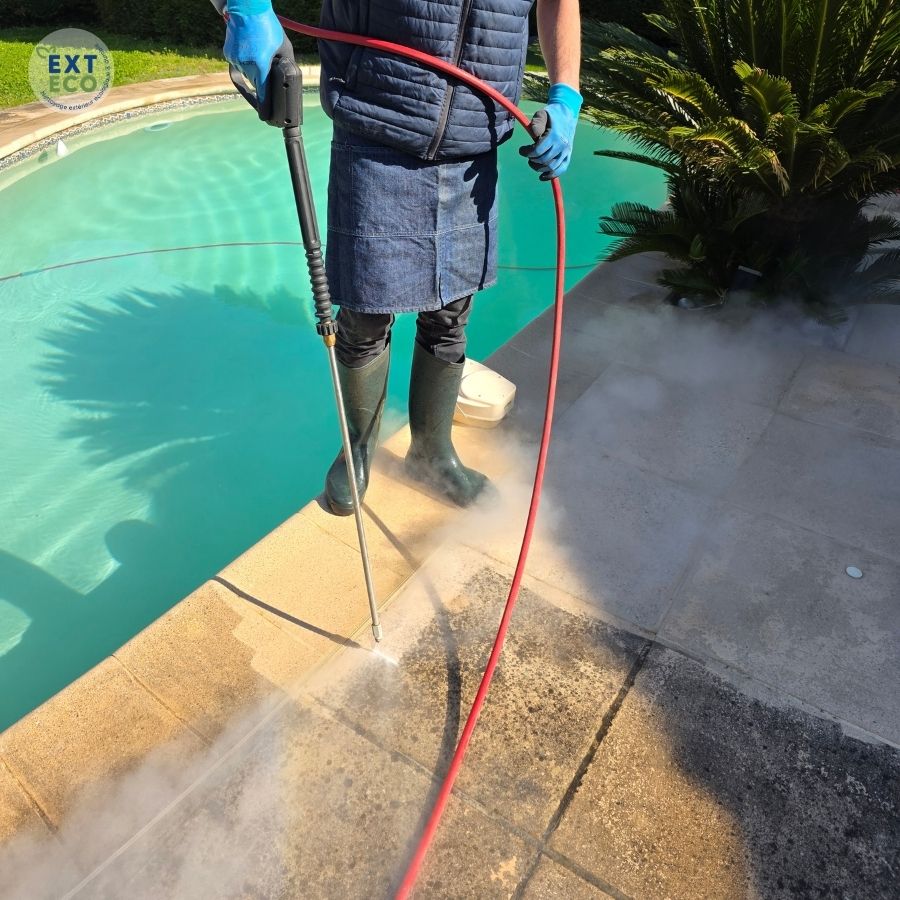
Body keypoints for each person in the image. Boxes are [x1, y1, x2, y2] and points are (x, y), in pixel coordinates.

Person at [221, 0, 582, 515]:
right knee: (364, 313)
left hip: (473, 138)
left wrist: (566, 94)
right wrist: (245, 6)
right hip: (379, 118)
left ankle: (432, 455)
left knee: (451, 314)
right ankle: (358, 450)